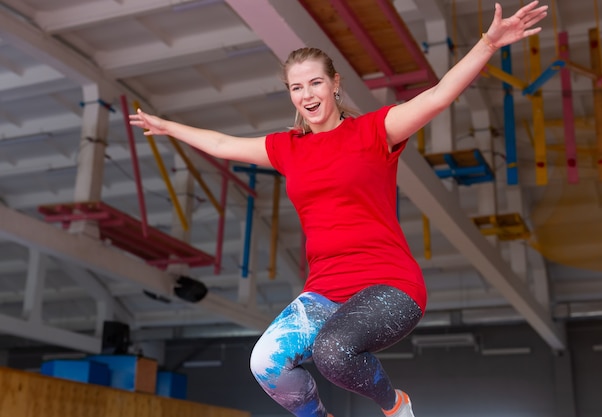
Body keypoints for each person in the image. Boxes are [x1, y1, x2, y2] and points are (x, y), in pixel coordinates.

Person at [130, 2, 547, 416]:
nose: (307, 95)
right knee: (265, 363)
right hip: (325, 291)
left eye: (314, 84)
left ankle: (395, 405)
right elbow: (222, 144)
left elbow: (438, 97)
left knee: (333, 351)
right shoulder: (287, 148)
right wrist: (168, 127)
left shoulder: (374, 132)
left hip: (390, 285)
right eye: (296, 88)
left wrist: (488, 43)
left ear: (334, 84)